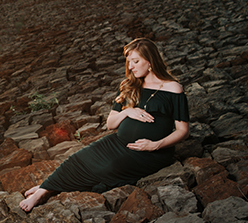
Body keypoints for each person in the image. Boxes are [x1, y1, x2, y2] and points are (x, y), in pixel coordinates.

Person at [20, 38, 189, 212]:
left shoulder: (173, 89)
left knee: (109, 167)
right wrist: (127, 112)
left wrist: (155, 145)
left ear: (150, 61)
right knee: (79, 158)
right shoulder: (129, 86)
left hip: (150, 153)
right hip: (117, 142)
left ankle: (49, 187)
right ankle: (44, 189)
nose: (131, 67)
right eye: (129, 62)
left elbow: (183, 131)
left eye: (136, 61)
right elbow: (110, 124)